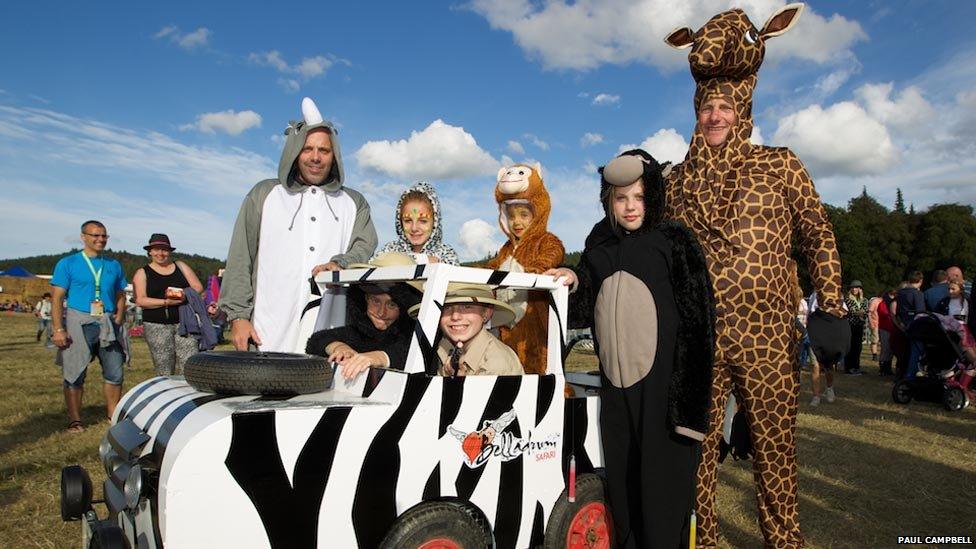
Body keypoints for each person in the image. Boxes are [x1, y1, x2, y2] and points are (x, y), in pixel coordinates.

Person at [664, 5, 846, 547]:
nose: (715, 115)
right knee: (696, 451)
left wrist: (830, 299)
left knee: (775, 450)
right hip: (699, 338)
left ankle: (784, 539)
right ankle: (702, 538)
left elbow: (817, 232)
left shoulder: (780, 164)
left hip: (767, 336)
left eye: (724, 106)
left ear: (741, 109)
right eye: (707, 107)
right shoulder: (674, 182)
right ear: (696, 113)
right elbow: (647, 248)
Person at [548, 150, 714, 548]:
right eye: (620, 198)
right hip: (616, 392)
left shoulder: (675, 241)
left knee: (661, 492)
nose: (630, 207)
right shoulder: (599, 241)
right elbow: (586, 302)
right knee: (621, 487)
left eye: (638, 197)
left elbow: (699, 325)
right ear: (608, 200)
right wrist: (572, 276)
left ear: (653, 196)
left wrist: (689, 409)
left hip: (662, 394)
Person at [219, 97, 377, 353]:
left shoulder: (353, 202)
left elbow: (365, 245)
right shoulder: (264, 195)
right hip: (267, 330)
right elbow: (240, 258)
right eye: (307, 149)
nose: (316, 157)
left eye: (324, 150)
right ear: (294, 151)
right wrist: (238, 316)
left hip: (329, 331)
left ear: (334, 155)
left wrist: (341, 263)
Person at [50, 220, 128, 433]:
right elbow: (57, 298)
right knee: (74, 373)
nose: (100, 239)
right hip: (79, 322)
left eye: (104, 236)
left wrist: (119, 315)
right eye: (95, 235)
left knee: (115, 372)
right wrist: (58, 329)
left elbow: (121, 293)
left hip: (108, 324)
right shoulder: (68, 263)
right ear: (83, 236)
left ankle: (113, 416)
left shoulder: (113, 265)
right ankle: (75, 420)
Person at [487, 163, 565, 375]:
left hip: (535, 322)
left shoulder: (544, 240)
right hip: (507, 324)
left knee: (538, 366)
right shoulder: (506, 249)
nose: (516, 222)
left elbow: (554, 253)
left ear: (537, 214)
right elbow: (492, 267)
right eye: (511, 216)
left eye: (524, 215)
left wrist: (535, 269)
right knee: (510, 368)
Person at [306, 253, 419, 385]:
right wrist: (339, 348)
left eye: (392, 304)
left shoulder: (415, 337)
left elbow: (410, 352)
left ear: (406, 308)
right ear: (364, 299)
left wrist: (379, 357)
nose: (381, 312)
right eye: (375, 301)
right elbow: (317, 339)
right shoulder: (359, 332)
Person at [409, 283, 522, 377]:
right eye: (446, 307)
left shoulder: (496, 364)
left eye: (467, 306)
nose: (455, 316)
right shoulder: (440, 348)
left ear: (486, 313)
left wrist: (459, 384)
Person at [132, 234, 204, 375]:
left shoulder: (181, 266)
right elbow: (140, 300)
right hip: (156, 325)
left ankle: (189, 392)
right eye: (157, 250)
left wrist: (183, 295)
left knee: (190, 362)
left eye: (164, 250)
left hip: (184, 322)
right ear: (150, 252)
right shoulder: (142, 272)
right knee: (163, 365)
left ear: (169, 251)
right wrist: (165, 302)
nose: (160, 253)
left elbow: (198, 287)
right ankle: (166, 391)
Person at [372, 182, 458, 265]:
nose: (414, 228)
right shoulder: (389, 249)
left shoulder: (446, 254)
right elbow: (371, 265)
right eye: (408, 221)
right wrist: (425, 260)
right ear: (400, 222)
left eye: (423, 221)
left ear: (435, 222)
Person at [894, 271, 926, 378]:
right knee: (915, 351)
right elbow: (920, 312)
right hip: (915, 327)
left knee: (904, 352)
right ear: (920, 281)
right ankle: (911, 375)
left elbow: (898, 312)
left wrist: (902, 323)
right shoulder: (918, 294)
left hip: (904, 325)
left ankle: (901, 373)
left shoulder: (901, 293)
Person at [844, 280, 868, 375]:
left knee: (858, 347)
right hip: (850, 325)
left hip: (860, 325)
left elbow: (865, 311)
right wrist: (860, 312)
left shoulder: (864, 300)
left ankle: (856, 366)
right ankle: (849, 367)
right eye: (853, 288)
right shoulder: (848, 299)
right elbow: (852, 311)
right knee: (850, 346)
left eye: (856, 287)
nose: (854, 289)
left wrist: (860, 312)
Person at [867, 294, 882, 360]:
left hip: (882, 324)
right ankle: (874, 355)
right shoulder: (875, 301)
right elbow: (869, 313)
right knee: (875, 339)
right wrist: (871, 322)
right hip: (875, 323)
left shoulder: (885, 301)